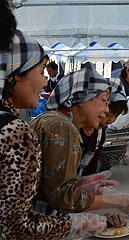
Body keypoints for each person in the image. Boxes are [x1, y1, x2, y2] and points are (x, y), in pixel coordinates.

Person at [0, 28, 106, 239]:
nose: (44, 82)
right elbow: (16, 228)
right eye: (40, 72)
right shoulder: (14, 131)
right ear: (15, 75)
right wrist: (75, 224)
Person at [30, 68, 129, 215]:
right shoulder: (61, 125)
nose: (106, 111)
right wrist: (116, 202)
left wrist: (82, 184)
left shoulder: (66, 124)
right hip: (36, 218)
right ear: (82, 98)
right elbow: (62, 197)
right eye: (104, 101)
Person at [79, 78, 128, 176]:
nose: (111, 121)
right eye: (109, 115)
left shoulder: (99, 134)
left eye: (116, 116)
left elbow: (91, 170)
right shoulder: (72, 130)